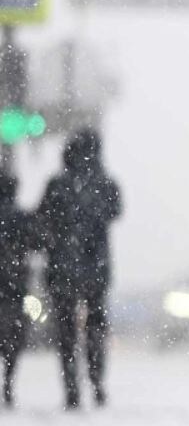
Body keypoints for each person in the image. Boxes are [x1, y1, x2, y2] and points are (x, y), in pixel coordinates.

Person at [37, 128, 123, 410]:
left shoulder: (57, 185)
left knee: (66, 332)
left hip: (63, 269)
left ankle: (72, 388)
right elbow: (115, 212)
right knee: (96, 326)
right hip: (95, 268)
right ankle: (97, 382)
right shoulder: (106, 184)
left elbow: (43, 219)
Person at [0, 171, 38, 407]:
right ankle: (9, 380)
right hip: (15, 287)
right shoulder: (21, 218)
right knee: (14, 338)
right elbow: (37, 241)